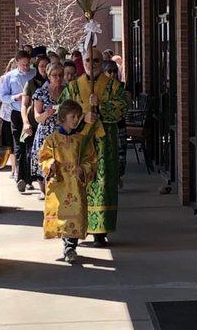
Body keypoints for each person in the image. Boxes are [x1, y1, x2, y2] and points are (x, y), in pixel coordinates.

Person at [59, 48, 128, 247]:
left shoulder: (113, 86)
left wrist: (101, 107)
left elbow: (123, 106)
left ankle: (100, 231)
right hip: (80, 143)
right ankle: (75, 230)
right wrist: (83, 116)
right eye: (88, 59)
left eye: (96, 60)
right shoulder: (72, 87)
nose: (92, 63)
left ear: (101, 62)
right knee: (79, 182)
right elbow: (62, 110)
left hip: (104, 144)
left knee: (103, 183)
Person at [39, 100, 97, 263]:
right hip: (59, 184)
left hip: (75, 185)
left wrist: (84, 169)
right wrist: (51, 165)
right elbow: (43, 158)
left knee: (76, 214)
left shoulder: (81, 139)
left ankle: (70, 247)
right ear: (63, 117)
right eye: (73, 116)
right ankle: (68, 246)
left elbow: (91, 159)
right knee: (61, 215)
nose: (76, 119)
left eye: (78, 117)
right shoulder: (52, 139)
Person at [0, 50, 36, 193]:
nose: (26, 67)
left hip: (31, 112)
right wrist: (15, 97)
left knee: (30, 145)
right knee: (18, 146)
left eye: (27, 64)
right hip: (16, 112)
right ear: (17, 62)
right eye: (23, 65)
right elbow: (2, 96)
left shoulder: (33, 74)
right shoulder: (9, 77)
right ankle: (21, 177)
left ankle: (30, 179)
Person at [31, 63, 64, 199]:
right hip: (46, 131)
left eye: (60, 75)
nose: (58, 78)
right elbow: (37, 117)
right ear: (49, 76)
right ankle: (43, 191)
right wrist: (47, 113)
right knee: (45, 161)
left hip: (62, 131)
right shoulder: (41, 92)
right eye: (54, 75)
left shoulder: (67, 91)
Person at [21, 55, 49, 197]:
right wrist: (25, 122)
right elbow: (24, 105)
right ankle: (40, 186)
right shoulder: (31, 83)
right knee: (36, 155)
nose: (44, 69)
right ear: (37, 67)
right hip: (34, 123)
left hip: (50, 125)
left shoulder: (55, 82)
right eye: (41, 66)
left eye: (46, 65)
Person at [104, 61, 128, 188]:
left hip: (119, 125)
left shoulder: (121, 87)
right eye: (109, 71)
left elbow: (124, 106)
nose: (112, 74)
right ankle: (112, 179)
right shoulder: (100, 89)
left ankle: (118, 176)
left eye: (114, 71)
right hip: (106, 127)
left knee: (121, 154)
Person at [0, 58, 17, 179]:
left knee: (17, 144)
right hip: (7, 115)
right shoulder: (4, 78)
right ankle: (13, 169)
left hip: (18, 113)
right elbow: (0, 96)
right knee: (9, 143)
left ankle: (16, 170)